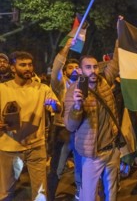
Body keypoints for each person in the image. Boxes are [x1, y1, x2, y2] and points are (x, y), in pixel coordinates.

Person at [0, 51, 61, 200]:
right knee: (6, 192)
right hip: (9, 148)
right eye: (23, 65)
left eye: (30, 64)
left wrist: (54, 105)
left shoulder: (42, 89)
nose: (28, 68)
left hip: (36, 147)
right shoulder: (2, 89)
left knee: (40, 193)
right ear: (13, 68)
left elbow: (57, 107)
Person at [64, 55, 120, 201]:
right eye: (88, 67)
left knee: (112, 192)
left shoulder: (104, 83)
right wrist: (77, 106)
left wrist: (121, 33)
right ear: (81, 71)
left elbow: (116, 62)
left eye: (95, 67)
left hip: (112, 149)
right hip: (92, 153)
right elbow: (70, 126)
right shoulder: (73, 91)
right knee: (88, 196)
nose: (93, 71)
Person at [47, 39, 82, 200]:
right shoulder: (61, 85)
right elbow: (55, 70)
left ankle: (81, 194)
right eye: (70, 67)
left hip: (82, 132)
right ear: (66, 72)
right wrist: (67, 47)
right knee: (57, 169)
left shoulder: (85, 85)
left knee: (81, 168)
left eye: (77, 67)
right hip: (63, 132)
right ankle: (50, 196)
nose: (74, 69)